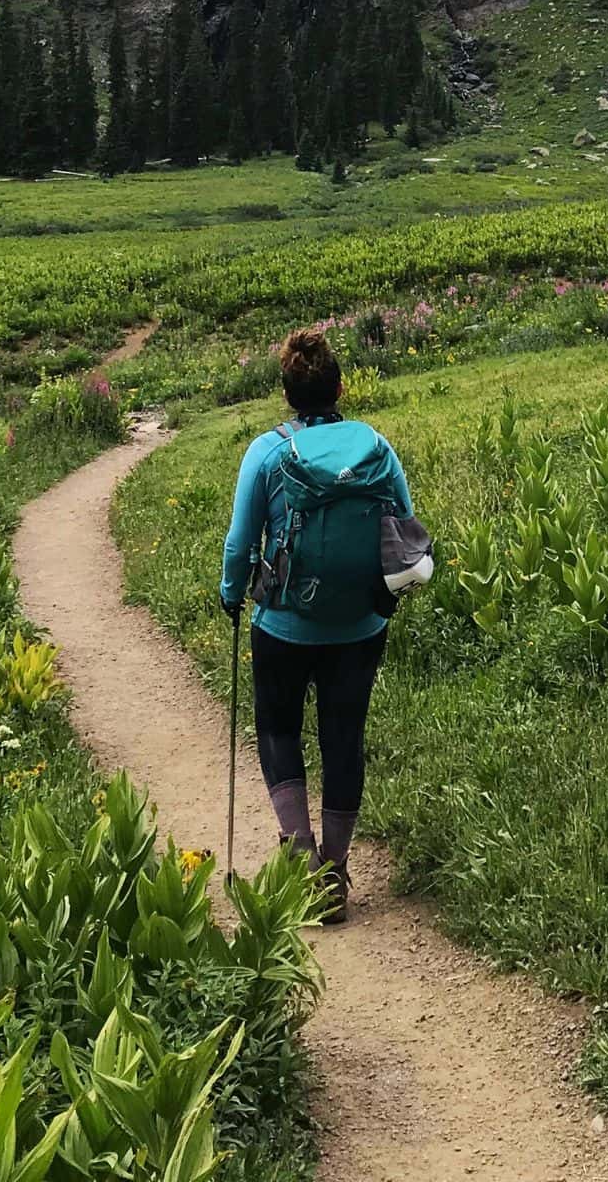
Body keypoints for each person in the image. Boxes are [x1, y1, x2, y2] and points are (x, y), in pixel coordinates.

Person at [219, 327, 410, 923]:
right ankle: (337, 870)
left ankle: (301, 859)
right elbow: (402, 526)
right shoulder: (377, 447)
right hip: (359, 622)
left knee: (278, 730)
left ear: (287, 394)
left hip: (282, 623)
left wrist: (231, 595)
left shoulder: (267, 452)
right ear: (341, 388)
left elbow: (238, 545)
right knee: (343, 738)